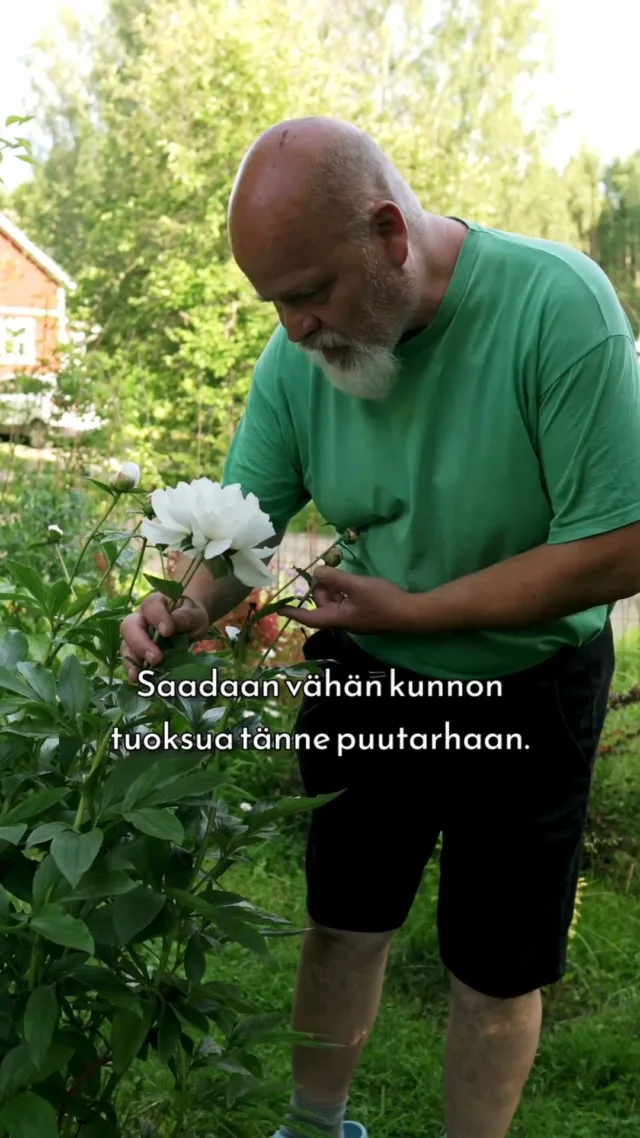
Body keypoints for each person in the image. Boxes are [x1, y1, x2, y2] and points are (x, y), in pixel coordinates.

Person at [120, 117, 640, 1138]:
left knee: (497, 966)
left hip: (528, 684)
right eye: (275, 302)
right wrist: (179, 603)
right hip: (370, 673)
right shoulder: (294, 359)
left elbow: (618, 546)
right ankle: (313, 1127)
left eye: (311, 292)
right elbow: (243, 525)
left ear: (389, 235)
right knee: (344, 920)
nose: (296, 328)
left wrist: (424, 611)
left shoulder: (556, 307)